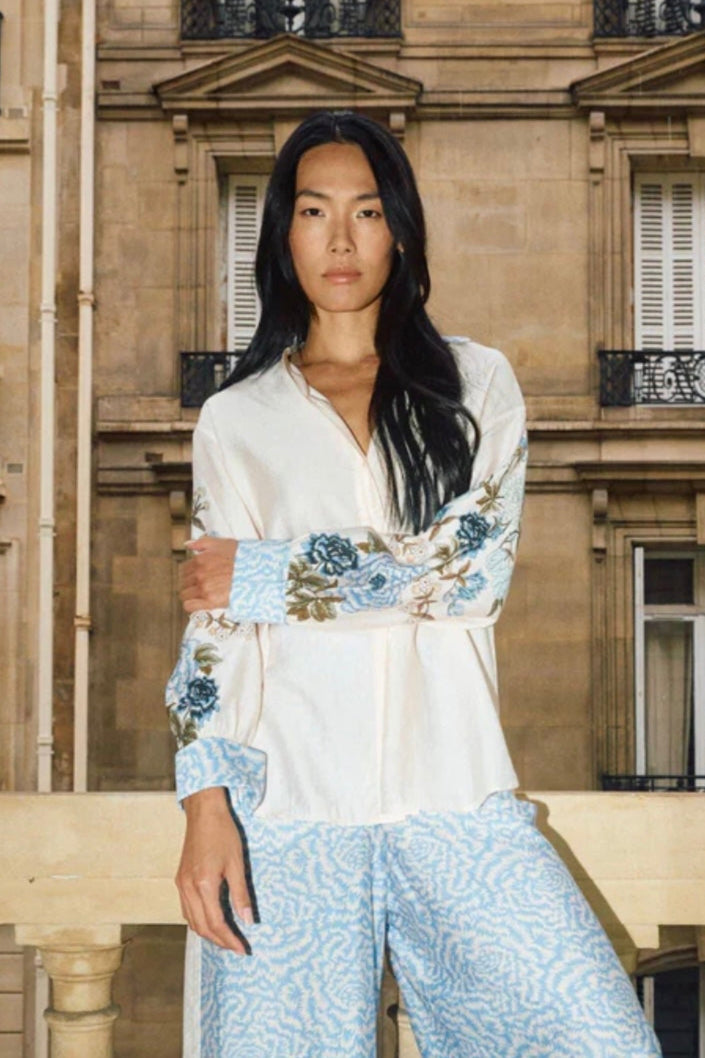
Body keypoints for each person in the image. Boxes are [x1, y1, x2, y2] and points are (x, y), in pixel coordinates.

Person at [166, 109, 662, 1058]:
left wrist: (267, 574)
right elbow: (215, 637)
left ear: (398, 229)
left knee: (599, 1041)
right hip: (287, 817)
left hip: (454, 797)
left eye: (366, 211)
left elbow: (469, 573)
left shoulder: (475, 384)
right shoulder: (237, 418)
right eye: (314, 211)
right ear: (282, 234)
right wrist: (204, 806)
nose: (340, 240)